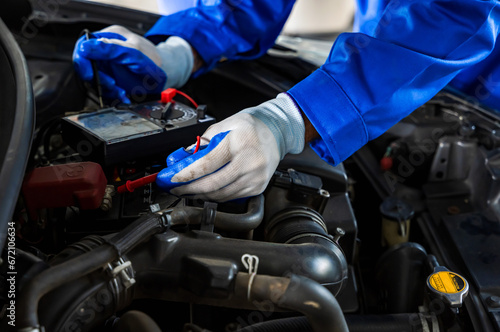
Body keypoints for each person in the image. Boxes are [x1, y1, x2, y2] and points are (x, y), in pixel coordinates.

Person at [73, 0, 500, 202]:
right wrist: (187, 48)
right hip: (391, 36)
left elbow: (456, 14)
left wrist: (291, 118)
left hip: (481, 84)